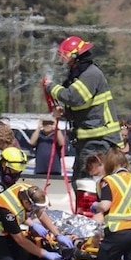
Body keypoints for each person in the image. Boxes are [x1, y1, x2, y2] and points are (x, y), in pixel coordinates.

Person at [44, 36, 122, 180]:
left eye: (64, 57)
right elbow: (84, 106)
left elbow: (72, 97)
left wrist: (50, 86)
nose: (63, 62)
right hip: (89, 140)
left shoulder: (90, 74)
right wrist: (66, 113)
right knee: (80, 183)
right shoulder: (82, 74)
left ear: (75, 56)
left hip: (98, 140)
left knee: (86, 184)